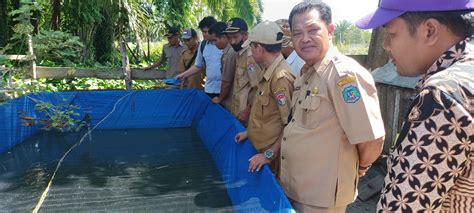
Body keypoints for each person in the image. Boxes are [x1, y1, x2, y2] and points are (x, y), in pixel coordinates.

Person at [356, 0, 474, 212]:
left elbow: (403, 207)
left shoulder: (442, 99)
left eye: (391, 34)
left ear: (429, 31)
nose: (385, 45)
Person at [280, 1, 386, 212]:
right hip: (297, 187)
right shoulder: (306, 74)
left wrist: (360, 167)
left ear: (330, 31)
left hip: (321, 197)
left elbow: (371, 138)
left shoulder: (343, 75)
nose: (305, 39)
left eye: (312, 30)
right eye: (297, 33)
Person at [234, 21, 295, 176]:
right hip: (261, 150)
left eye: (251, 46)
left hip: (271, 160)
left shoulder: (280, 79)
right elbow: (265, 113)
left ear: (259, 48)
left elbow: (289, 126)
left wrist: (267, 156)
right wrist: (249, 132)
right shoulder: (267, 71)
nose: (250, 51)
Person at [224, 18, 261, 124]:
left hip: (245, 115)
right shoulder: (240, 52)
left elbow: (258, 88)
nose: (232, 41)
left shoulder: (250, 56)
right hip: (237, 110)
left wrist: (247, 111)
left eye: (235, 37)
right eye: (229, 38)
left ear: (245, 35)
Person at [176, 17, 223, 98]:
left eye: (206, 32)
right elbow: (198, 65)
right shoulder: (203, 45)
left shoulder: (224, 44)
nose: (204, 34)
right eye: (202, 32)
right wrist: (183, 75)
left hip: (223, 89)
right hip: (209, 89)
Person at [208, 22, 237, 111]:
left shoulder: (231, 53)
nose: (214, 44)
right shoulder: (228, 51)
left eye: (215, 40)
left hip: (232, 101)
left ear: (224, 38)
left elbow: (226, 82)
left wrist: (219, 99)